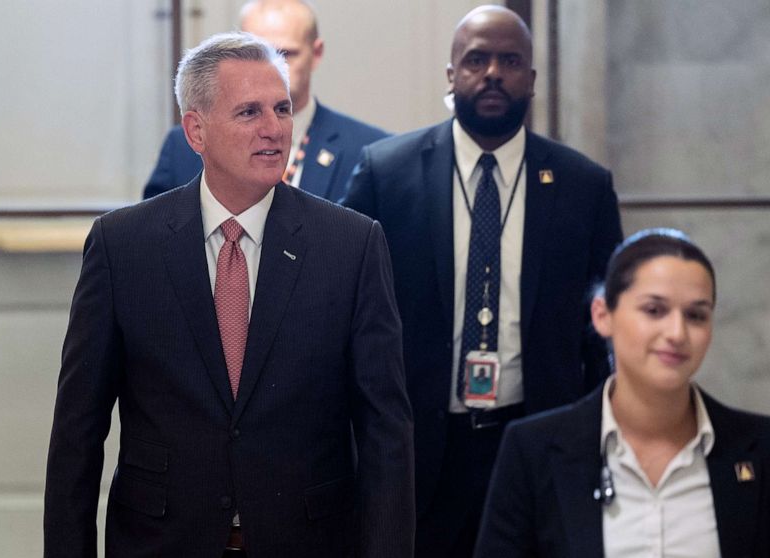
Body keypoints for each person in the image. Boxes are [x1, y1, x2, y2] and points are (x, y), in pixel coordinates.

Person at [44, 32, 414, 558]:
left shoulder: (352, 246)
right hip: (160, 541)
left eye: (282, 109)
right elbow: (77, 432)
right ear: (196, 130)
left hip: (308, 540)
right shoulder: (123, 245)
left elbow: (386, 435)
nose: (274, 130)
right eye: (248, 113)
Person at [341, 5, 623, 556]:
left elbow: (607, 325)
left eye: (510, 60)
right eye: (476, 59)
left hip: (539, 438)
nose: (493, 73)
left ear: (533, 80)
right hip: (418, 447)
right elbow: (342, 306)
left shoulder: (583, 185)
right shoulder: (386, 172)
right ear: (451, 75)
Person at [476, 228, 770, 557]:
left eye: (696, 315)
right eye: (654, 310)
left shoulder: (759, 447)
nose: (677, 332)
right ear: (603, 315)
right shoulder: (533, 450)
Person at [143, 0, 387, 202]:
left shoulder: (371, 153)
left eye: (285, 54)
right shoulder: (182, 147)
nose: (271, 67)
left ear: (316, 53)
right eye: (256, 54)